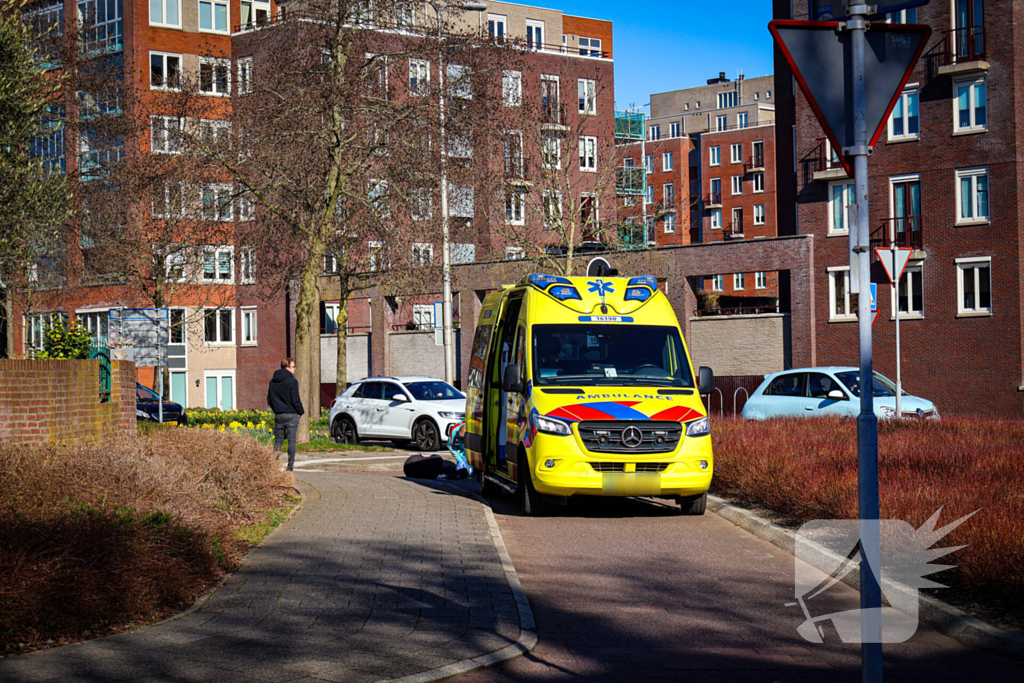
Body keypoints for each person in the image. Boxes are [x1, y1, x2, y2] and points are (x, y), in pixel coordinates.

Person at [267, 358, 304, 471]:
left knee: (278, 440)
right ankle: (290, 465)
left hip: (279, 414)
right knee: (291, 440)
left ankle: (275, 463)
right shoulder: (292, 381)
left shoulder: (272, 381)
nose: (295, 368)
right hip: (292, 414)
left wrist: (276, 409)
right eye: (293, 366)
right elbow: (295, 399)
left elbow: (269, 399)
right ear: (287, 367)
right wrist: (300, 411)